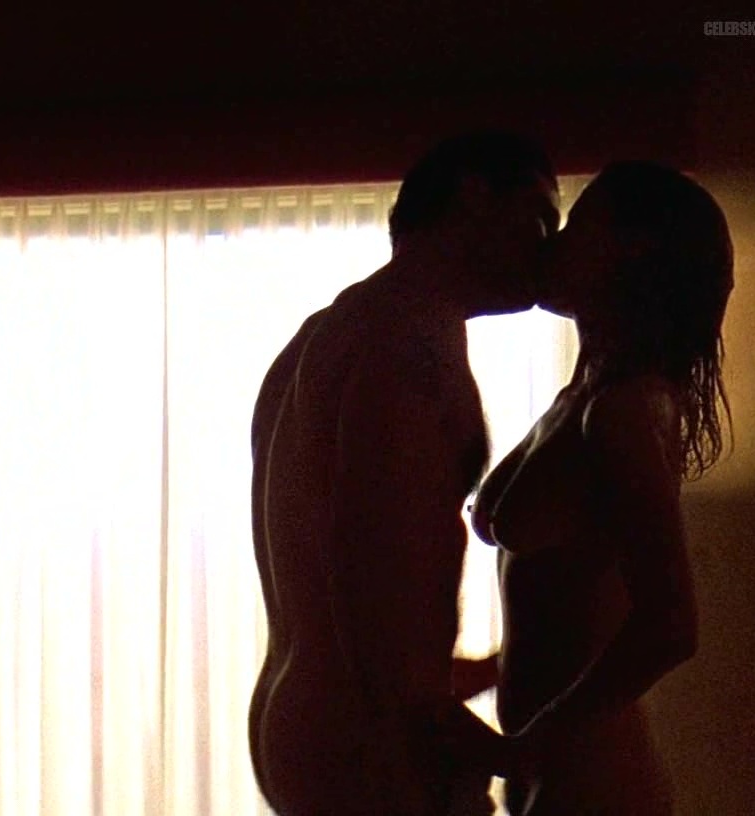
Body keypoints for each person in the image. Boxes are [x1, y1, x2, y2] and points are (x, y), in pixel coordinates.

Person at [248, 131, 561, 815]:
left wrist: (499, 671)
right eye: (540, 218)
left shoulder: (327, 333)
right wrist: (474, 752)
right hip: (369, 743)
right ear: (474, 198)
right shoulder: (408, 344)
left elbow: (349, 589)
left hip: (305, 716)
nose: (549, 248)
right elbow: (374, 580)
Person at [465, 160, 732, 815]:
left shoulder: (624, 409)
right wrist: (476, 678)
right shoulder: (581, 398)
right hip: (553, 777)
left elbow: (671, 626)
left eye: (577, 226)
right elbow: (571, 608)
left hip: (597, 784)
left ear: (629, 250)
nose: (551, 243)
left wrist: (525, 747)